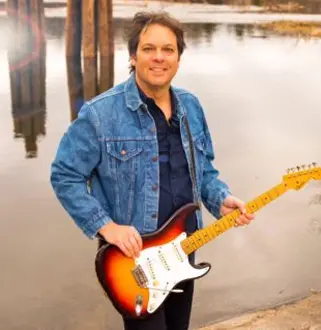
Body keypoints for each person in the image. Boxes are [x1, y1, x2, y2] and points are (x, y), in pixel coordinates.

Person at [50, 11, 255, 330]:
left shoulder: (191, 106)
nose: (159, 58)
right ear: (133, 56)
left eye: (168, 49)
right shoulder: (100, 114)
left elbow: (203, 171)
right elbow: (65, 176)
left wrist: (220, 200)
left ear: (178, 58)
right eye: (148, 49)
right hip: (133, 260)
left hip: (184, 246)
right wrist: (107, 227)